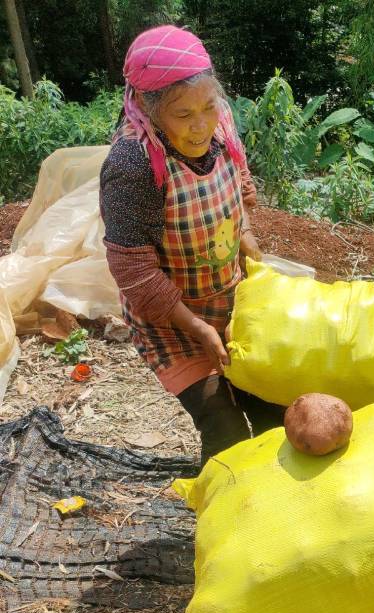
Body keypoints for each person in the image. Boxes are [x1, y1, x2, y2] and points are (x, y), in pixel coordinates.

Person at [100, 24, 284, 466]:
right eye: (183, 115)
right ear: (146, 106)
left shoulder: (216, 124)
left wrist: (244, 232)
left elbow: (236, 180)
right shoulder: (132, 165)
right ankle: (226, 520)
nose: (201, 124)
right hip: (170, 321)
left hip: (229, 303)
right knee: (224, 425)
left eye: (208, 106)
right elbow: (135, 273)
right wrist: (198, 329)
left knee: (274, 413)